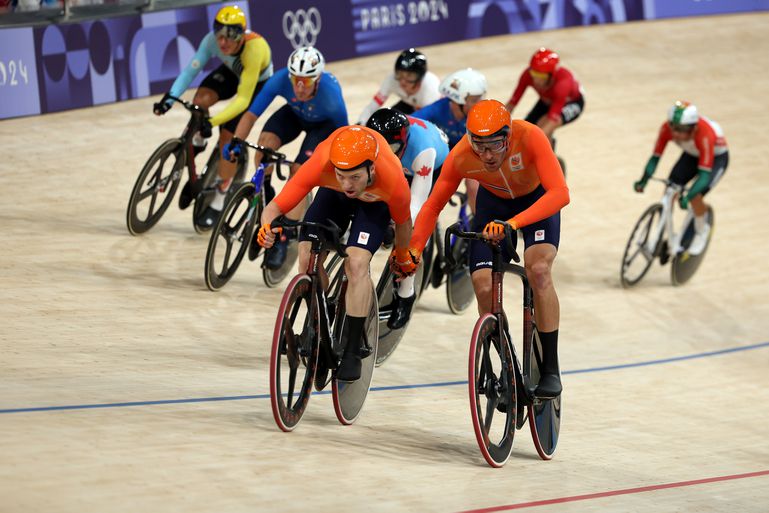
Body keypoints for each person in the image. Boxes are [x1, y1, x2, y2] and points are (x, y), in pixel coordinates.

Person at [395, 99, 569, 399]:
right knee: (482, 285)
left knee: (538, 270)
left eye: (494, 146)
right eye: (480, 146)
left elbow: (560, 193)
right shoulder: (463, 153)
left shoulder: (530, 136)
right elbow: (433, 205)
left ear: (508, 136)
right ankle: (507, 365)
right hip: (493, 206)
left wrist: (514, 224)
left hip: (535, 204)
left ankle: (551, 368)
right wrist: (414, 250)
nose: (487, 155)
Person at [257, 126, 414, 381]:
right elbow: (276, 206)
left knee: (356, 263)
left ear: (371, 169)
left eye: (354, 177)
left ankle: (352, 349)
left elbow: (404, 225)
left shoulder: (393, 178)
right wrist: (266, 227)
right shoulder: (322, 163)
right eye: (342, 175)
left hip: (374, 207)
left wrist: (404, 255)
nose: (347, 184)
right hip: (332, 198)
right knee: (307, 256)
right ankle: (321, 318)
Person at [223, 46, 348, 267]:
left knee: (299, 170)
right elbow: (251, 114)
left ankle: (284, 238)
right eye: (296, 80)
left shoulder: (332, 99)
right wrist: (236, 142)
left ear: (317, 79)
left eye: (306, 81)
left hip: (323, 126)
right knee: (264, 147)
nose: (300, 87)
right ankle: (267, 190)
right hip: (295, 114)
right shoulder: (280, 78)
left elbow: (342, 137)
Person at [153, 5, 273, 226]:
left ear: (241, 36)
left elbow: (242, 101)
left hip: (256, 83)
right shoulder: (211, 41)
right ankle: (198, 140)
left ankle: (219, 197)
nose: (223, 43)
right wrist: (169, 100)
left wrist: (213, 121)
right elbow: (190, 71)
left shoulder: (254, 49)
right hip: (232, 71)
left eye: (230, 38)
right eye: (219, 36)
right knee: (199, 102)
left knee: (227, 139)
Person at [365, 108, 450, 329]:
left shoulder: (423, 151)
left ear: (403, 142)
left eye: (392, 149)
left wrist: (396, 228)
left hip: (436, 165)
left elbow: (416, 204)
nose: (387, 153)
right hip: (406, 162)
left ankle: (406, 295)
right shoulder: (383, 144)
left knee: (412, 231)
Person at [634, 100, 728, 255]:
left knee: (695, 195)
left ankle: (701, 230)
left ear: (693, 128)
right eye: (674, 128)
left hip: (716, 159)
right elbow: (655, 157)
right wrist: (643, 180)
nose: (676, 133)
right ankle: (661, 232)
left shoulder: (704, 135)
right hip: (691, 155)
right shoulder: (666, 129)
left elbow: (704, 176)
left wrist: (688, 196)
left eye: (681, 129)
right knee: (670, 190)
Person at [413, 68, 488, 212]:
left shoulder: (479, 113)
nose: (479, 103)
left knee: (474, 187)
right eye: (473, 100)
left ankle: (479, 226)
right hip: (445, 154)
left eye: (479, 98)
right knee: (429, 193)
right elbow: (411, 122)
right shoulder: (438, 109)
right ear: (457, 101)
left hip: (470, 152)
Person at [505, 48, 584, 145]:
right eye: (534, 73)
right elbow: (512, 103)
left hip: (571, 102)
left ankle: (550, 157)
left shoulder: (562, 84)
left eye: (541, 76)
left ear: (552, 75)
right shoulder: (527, 75)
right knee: (526, 130)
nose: (536, 80)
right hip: (547, 100)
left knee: (541, 130)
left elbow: (552, 120)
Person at [356, 48, 442, 125]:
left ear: (420, 77)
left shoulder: (432, 90)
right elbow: (372, 106)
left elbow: (431, 124)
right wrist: (361, 123)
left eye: (410, 76)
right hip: (410, 104)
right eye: (400, 74)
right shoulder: (392, 79)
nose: (402, 81)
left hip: (430, 112)